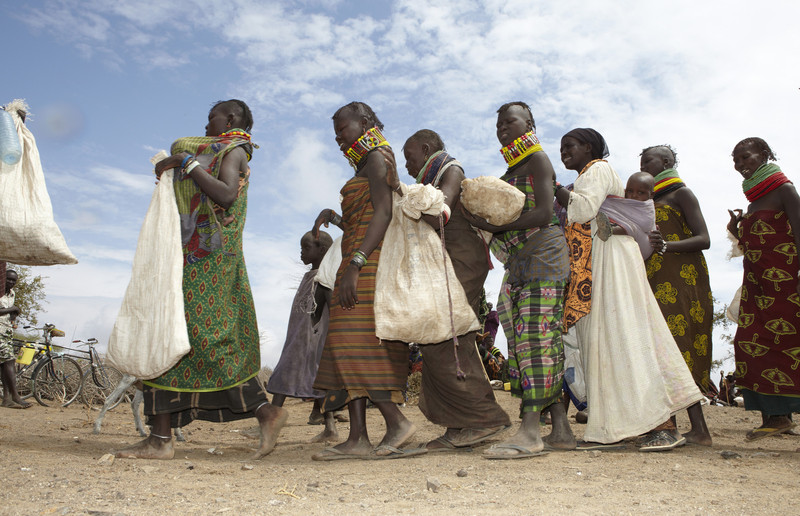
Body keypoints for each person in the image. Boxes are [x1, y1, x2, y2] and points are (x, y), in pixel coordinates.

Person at [115, 100, 287, 460]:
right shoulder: (223, 151)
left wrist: (184, 162)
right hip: (194, 260)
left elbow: (225, 195)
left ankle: (260, 412)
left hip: (210, 265)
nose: (205, 125)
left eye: (211, 118)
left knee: (187, 335)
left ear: (230, 120)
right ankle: (162, 437)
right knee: (174, 335)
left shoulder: (234, 150)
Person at [554, 128, 704, 451]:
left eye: (571, 145)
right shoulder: (585, 176)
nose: (563, 151)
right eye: (561, 146)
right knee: (606, 344)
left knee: (627, 335)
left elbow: (580, 210)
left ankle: (661, 425)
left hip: (613, 260)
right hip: (599, 263)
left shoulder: (599, 169)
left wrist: (554, 189)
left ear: (590, 148)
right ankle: (610, 429)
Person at [462, 102, 575, 458]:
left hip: (544, 256)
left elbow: (544, 213)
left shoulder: (538, 159)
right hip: (521, 263)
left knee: (537, 340)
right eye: (498, 124)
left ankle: (529, 432)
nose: (502, 128)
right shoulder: (511, 169)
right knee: (525, 340)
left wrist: (496, 227)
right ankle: (560, 429)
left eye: (509, 121)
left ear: (530, 124)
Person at [311, 102, 420, 460]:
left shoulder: (377, 156)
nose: (338, 137)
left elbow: (385, 214)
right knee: (350, 346)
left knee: (353, 345)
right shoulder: (367, 161)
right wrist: (340, 220)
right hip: (356, 259)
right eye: (336, 133)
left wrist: (357, 264)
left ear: (365, 122)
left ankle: (397, 422)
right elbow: (367, 216)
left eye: (343, 128)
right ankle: (358, 437)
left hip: (367, 265)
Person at [399, 129, 511, 452]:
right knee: (443, 337)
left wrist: (403, 195)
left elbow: (439, 216)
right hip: (450, 263)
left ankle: (483, 417)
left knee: (443, 336)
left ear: (425, 148)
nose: (407, 165)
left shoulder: (450, 169)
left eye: (409, 157)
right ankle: (461, 425)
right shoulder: (432, 178)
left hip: (462, 260)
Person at [726, 137, 800, 440]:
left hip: (787, 287)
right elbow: (760, 242)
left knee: (792, 345)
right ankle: (776, 417)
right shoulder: (754, 199)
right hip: (758, 288)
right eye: (736, 160)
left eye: (746, 157)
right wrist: (737, 229)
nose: (741, 165)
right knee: (751, 347)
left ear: (765, 154)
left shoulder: (784, 189)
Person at [640, 145, 713, 446]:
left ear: (667, 162)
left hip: (683, 280)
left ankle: (698, 429)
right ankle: (678, 425)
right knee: (662, 348)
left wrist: (667, 245)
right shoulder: (646, 200)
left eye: (648, 160)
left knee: (680, 347)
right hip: (655, 280)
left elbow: (704, 239)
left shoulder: (682, 194)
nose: (643, 165)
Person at [267, 231, 338, 442]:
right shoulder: (311, 275)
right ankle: (330, 428)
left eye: (307, 248)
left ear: (323, 251)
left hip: (309, 339)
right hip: (298, 337)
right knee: (316, 380)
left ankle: (269, 422)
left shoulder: (325, 276)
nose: (301, 252)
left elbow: (331, 308)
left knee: (286, 373)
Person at [0, 269, 31, 409]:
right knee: (9, 361)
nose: (11, 282)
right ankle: (15, 396)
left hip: (6, 331)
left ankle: (7, 398)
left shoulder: (12, 294)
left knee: (4, 365)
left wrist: (13, 314)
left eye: (14, 280)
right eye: (9, 279)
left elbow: (9, 313)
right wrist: (13, 309)